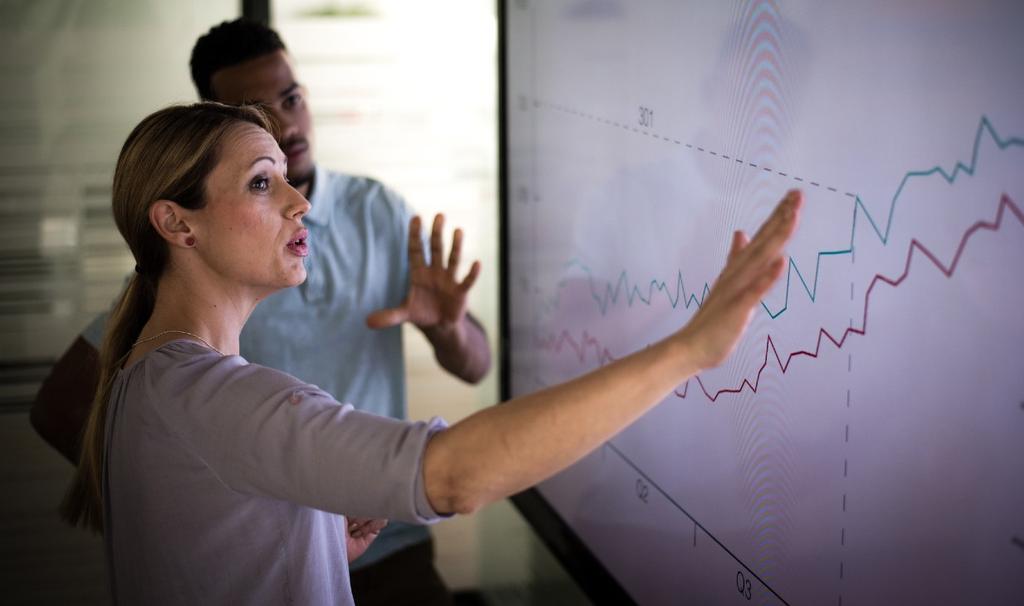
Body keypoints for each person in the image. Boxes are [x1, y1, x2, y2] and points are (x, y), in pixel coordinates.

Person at [61, 101, 801, 605]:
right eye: (262, 183)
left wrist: (311, 538)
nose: (299, 202)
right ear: (176, 224)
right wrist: (688, 351)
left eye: (286, 177)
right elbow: (453, 478)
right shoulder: (213, 396)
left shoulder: (147, 379)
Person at [30, 18, 490, 604]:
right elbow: (454, 474)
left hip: (376, 539)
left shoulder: (377, 211)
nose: (289, 122)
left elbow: (476, 366)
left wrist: (446, 329)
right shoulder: (193, 346)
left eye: (292, 98)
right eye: (258, 180)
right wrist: (226, 514)